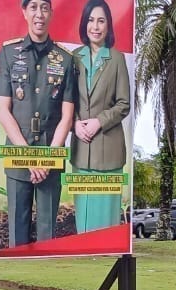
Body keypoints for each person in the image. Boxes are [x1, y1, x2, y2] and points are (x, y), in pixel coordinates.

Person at [0, 0, 78, 247]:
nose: (39, 14)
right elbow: (3, 110)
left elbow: (67, 117)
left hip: (51, 157)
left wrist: (47, 160)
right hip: (18, 155)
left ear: (51, 13)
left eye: (44, 7)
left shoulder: (65, 59)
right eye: (33, 7)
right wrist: (29, 158)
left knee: (47, 236)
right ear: (24, 12)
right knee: (17, 236)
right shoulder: (9, 53)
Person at [69, 0, 129, 232]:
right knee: (83, 220)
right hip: (81, 152)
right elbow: (66, 99)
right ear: (84, 23)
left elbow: (124, 103)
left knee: (105, 224)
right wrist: (75, 123)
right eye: (91, 20)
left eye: (101, 21)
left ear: (108, 25)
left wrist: (99, 122)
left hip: (109, 153)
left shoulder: (116, 59)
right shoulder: (74, 57)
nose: (95, 26)